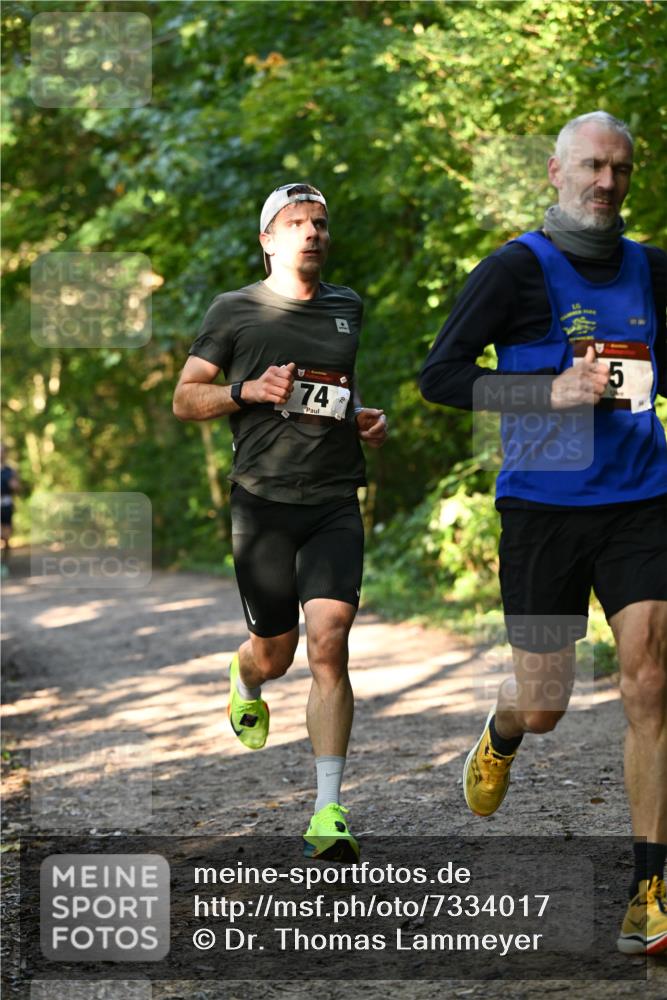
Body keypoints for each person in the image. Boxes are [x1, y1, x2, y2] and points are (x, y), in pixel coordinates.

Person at [420, 112, 667, 955]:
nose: (607, 183)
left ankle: (650, 886)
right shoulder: (514, 271)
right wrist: (546, 393)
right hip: (542, 510)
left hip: (640, 499)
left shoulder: (651, 269)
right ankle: (502, 730)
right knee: (547, 701)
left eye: (621, 170)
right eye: (593, 167)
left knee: (648, 683)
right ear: (555, 174)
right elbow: (440, 379)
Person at [173, 183, 387, 862]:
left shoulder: (347, 307)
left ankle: (327, 811)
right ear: (268, 239)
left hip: (331, 501)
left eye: (320, 222)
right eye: (296, 222)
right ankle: (245, 675)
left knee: (330, 642)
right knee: (277, 652)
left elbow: (333, 393)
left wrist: (362, 417)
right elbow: (184, 398)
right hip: (262, 504)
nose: (312, 232)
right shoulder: (234, 311)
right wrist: (245, 391)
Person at [1, 445, 20, 578]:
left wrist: (15, 485)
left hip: (6, 505)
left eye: (2, 451)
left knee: (6, 537)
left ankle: (4, 564)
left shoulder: (10, 470)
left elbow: (17, 488)